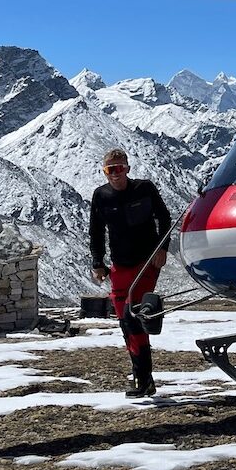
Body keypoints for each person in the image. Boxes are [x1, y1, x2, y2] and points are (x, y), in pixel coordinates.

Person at [89, 148, 172, 397]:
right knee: (126, 323)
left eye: (120, 168)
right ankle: (143, 378)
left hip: (146, 262)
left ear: (128, 168)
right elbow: (95, 232)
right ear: (104, 172)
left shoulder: (144, 189)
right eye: (110, 170)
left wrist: (162, 248)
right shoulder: (101, 196)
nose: (115, 174)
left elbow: (165, 217)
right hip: (119, 266)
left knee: (132, 315)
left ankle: (143, 379)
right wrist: (98, 263)